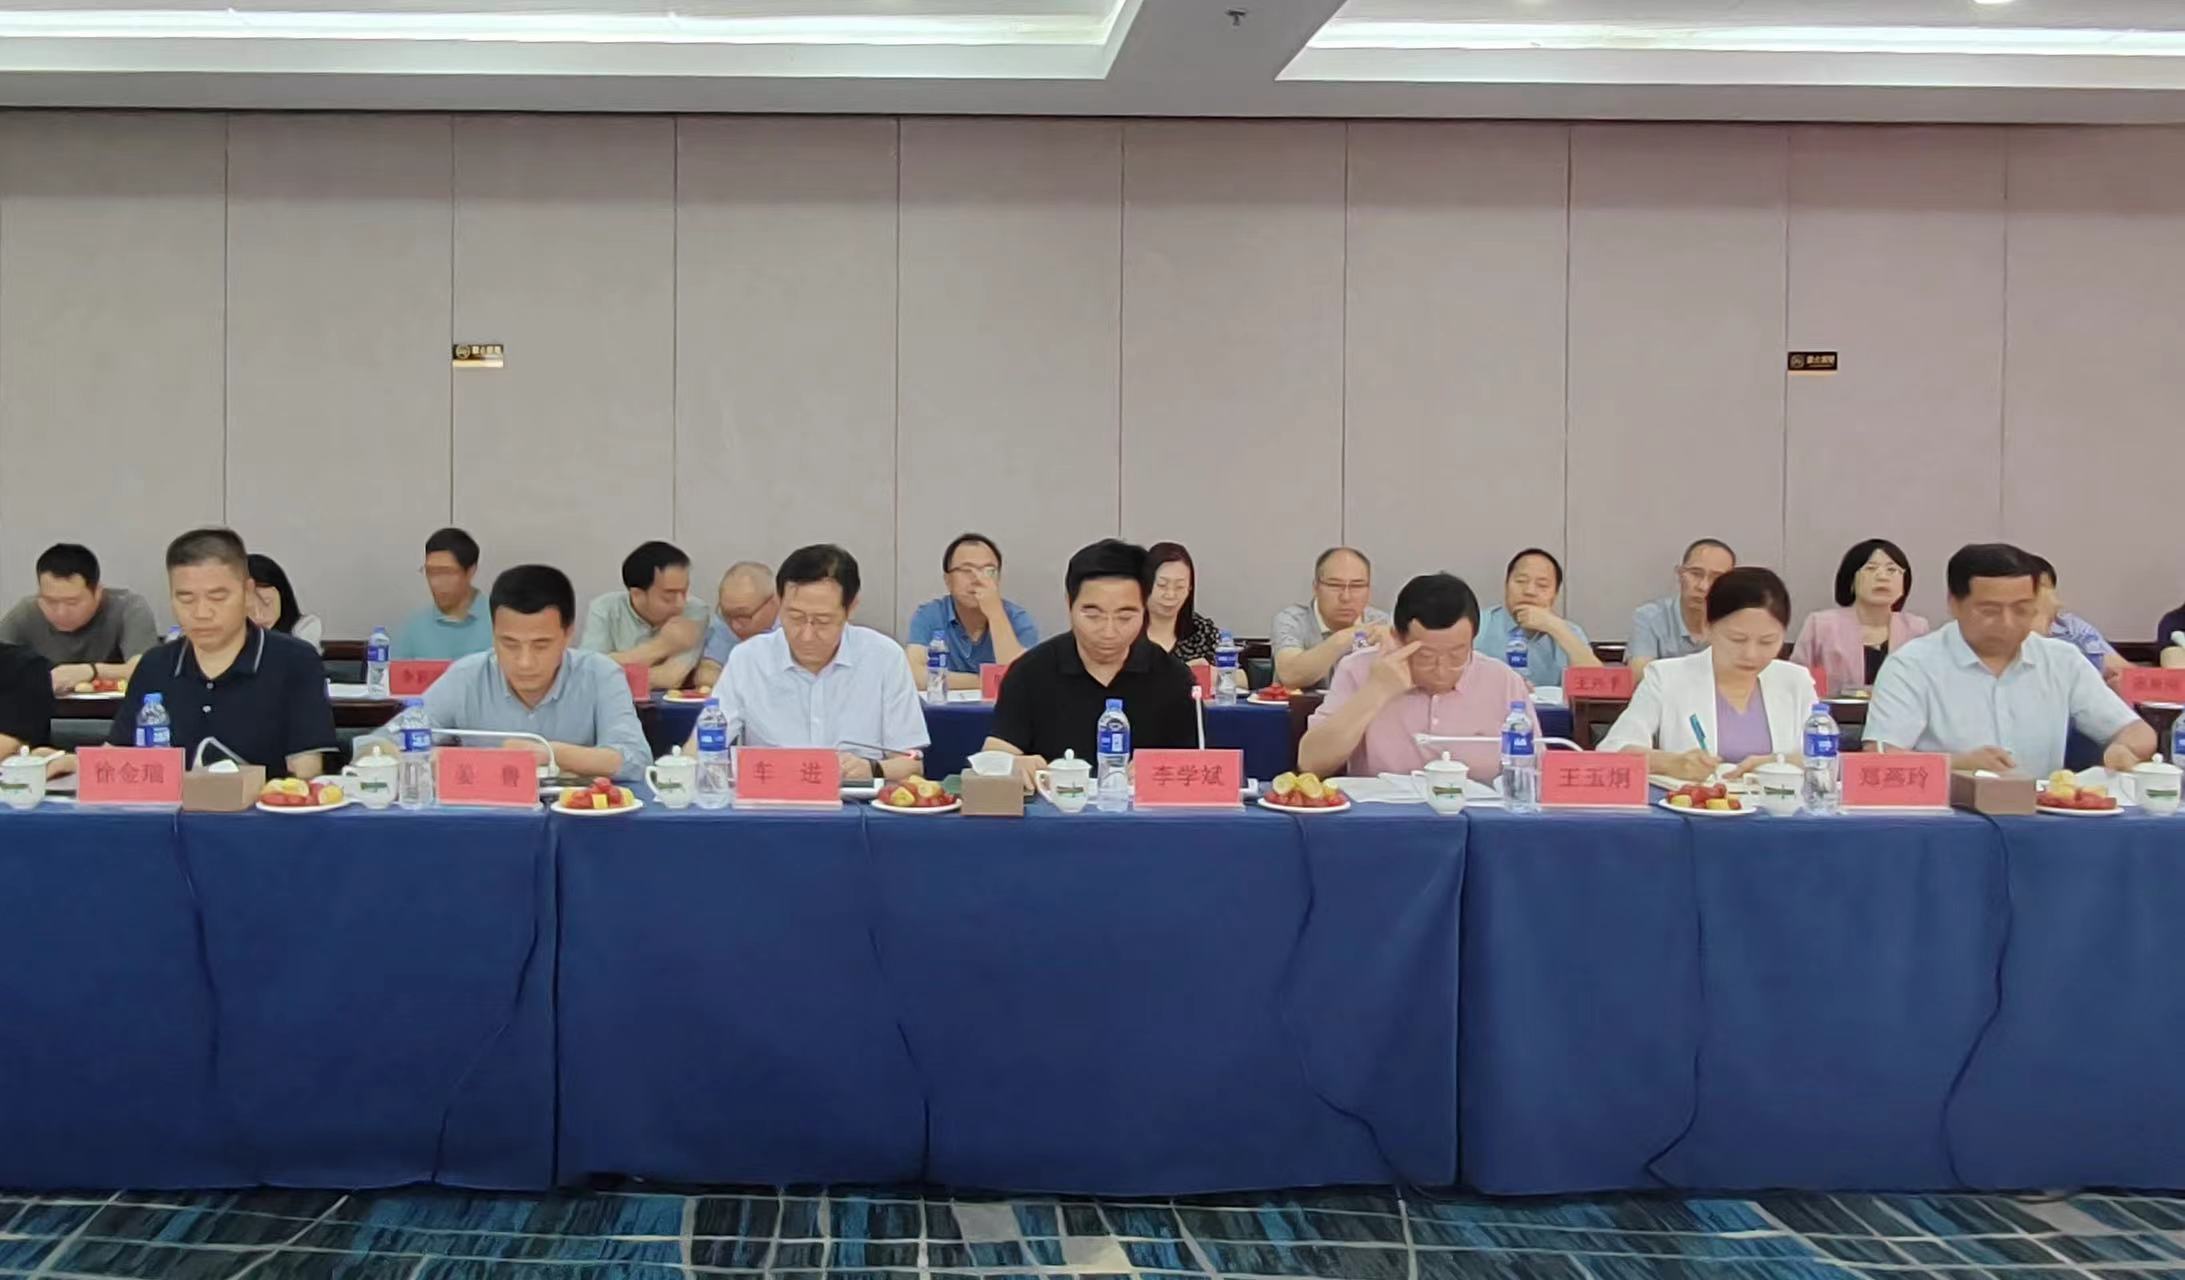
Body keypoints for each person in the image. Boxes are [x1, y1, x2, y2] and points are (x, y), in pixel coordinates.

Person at [1865, 543, 2153, 778]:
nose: (2007, 623)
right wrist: (1955, 765)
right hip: (1948, 818)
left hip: (2041, 816)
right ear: (1954, 603)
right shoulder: (1912, 665)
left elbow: (2137, 731)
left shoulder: (2061, 660)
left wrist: (2124, 749)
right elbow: (1879, 759)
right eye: (1990, 611)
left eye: (2021, 609)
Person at [359, 564, 648, 782]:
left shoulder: (600, 674)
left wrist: (550, 753)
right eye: (509, 644)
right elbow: (374, 746)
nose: (524, 662)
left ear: (568, 634)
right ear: (493, 633)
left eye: (541, 645)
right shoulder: (467, 677)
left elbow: (635, 760)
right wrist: (426, 758)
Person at [685, 544, 928, 783]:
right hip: (773, 800)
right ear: (778, 602)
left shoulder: (884, 657)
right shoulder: (748, 659)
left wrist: (873, 769)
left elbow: (912, 762)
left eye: (823, 621)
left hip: (855, 802)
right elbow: (698, 750)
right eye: (795, 617)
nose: (807, 635)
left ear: (851, 607)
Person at [109, 528, 335, 778]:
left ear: (247, 593)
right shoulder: (155, 665)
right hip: (168, 803)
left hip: (263, 803)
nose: (201, 613)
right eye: (186, 599)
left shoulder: (295, 660)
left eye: (217, 598)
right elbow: (117, 756)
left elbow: (306, 771)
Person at [984, 539, 1199, 791]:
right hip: (1053, 813)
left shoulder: (1174, 679)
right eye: (1093, 615)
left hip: (1143, 814)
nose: (1108, 631)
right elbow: (993, 756)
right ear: (1069, 604)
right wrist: (1011, 765)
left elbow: (1199, 768)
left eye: (1125, 616)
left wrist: (1166, 770)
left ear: (1145, 609)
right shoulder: (1029, 673)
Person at [1298, 572, 1535, 783]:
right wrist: (1376, 691)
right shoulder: (1358, 669)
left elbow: (1533, 773)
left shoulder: (1503, 681)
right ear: (1396, 638)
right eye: (1426, 656)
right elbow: (1311, 763)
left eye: (1457, 655)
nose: (1441, 670)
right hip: (1383, 814)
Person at [1601, 568, 1819, 781]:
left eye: (1767, 641)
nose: (1751, 654)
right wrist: (1670, 763)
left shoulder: (1795, 681)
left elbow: (1824, 759)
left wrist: (1777, 762)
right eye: (1737, 639)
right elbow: (1612, 750)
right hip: (1695, 803)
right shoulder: (1666, 677)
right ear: (1707, 626)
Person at [0, 543, 159, 695]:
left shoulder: (128, 608)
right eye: (50, 601)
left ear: (98, 593)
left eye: (72, 602)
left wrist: (91, 672)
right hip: (44, 708)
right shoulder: (27, 612)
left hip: (113, 709)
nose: (61, 612)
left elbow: (147, 669)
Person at [1789, 539, 1930, 694]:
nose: (1882, 577)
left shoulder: (1916, 629)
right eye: (1871, 569)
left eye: (1892, 570)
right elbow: (1796, 682)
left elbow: (1927, 686)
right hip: (1832, 709)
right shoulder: (1821, 626)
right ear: (1851, 581)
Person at [904, 533, 1039, 691]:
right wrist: (987, 681)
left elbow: (1023, 679)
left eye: (988, 571)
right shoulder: (930, 615)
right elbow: (914, 675)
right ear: (948, 580)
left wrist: (995, 613)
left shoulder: (1017, 619)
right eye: (967, 570)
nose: (977, 580)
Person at [580, 540, 709, 691]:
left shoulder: (695, 611)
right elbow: (587, 672)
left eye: (684, 592)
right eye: (668, 596)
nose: (681, 603)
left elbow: (671, 678)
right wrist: (663, 645)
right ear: (637, 595)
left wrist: (611, 669)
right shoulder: (605, 608)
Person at [1473, 548, 1599, 689]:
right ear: (1506, 585)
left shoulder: (1570, 632)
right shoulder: (1478, 624)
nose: (1529, 591)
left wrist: (1553, 626)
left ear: (1555, 594)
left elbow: (1597, 684)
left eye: (1542, 585)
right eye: (1521, 581)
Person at [1271, 547, 1393, 692]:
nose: (1346, 597)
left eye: (1357, 586)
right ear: (1316, 588)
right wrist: (1349, 636)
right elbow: (1290, 675)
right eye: (1335, 585)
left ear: (1369, 590)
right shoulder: (1292, 620)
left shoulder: (1382, 623)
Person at [1627, 538, 1736, 675]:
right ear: (1680, 574)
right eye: (1695, 574)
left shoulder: (1738, 619)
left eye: (1717, 578)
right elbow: (1640, 675)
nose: (1703, 586)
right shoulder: (1649, 617)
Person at [2026, 554, 2129, 684]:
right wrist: (2039, 623)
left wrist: (2121, 681)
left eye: (2047, 588)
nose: (2053, 599)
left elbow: (2125, 672)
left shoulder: (2072, 627)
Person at [392, 527, 491, 661]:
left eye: (447, 572)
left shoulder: (498, 622)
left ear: (470, 571)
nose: (436, 583)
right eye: (431, 572)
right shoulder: (414, 627)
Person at [692, 561, 778, 690]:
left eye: (743, 616)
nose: (735, 626)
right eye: (726, 614)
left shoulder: (797, 628)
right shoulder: (725, 623)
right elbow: (707, 674)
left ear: (774, 602)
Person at [1143, 542, 1223, 666]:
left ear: (1189, 588)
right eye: (1162, 585)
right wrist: (1182, 673)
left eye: (1179, 586)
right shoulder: (1125, 632)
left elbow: (1236, 673)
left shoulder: (1203, 634)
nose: (1170, 595)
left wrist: (1213, 672)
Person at [244, 554, 322, 653]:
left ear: (283, 597)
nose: (258, 616)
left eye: (267, 603)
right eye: (248, 608)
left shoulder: (303, 628)